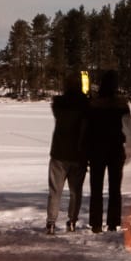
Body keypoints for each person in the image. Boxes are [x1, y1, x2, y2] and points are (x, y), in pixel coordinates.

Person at [83, 69, 131, 232]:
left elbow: (86, 130)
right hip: (115, 150)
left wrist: (86, 151)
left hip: (97, 150)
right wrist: (129, 150)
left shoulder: (93, 105)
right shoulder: (121, 105)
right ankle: (113, 223)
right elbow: (128, 129)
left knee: (96, 188)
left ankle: (96, 224)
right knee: (115, 188)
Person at [47, 71, 89, 233]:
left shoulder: (58, 102)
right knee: (75, 191)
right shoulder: (85, 104)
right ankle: (71, 221)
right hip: (78, 154)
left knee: (55, 191)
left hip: (59, 152)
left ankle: (51, 223)